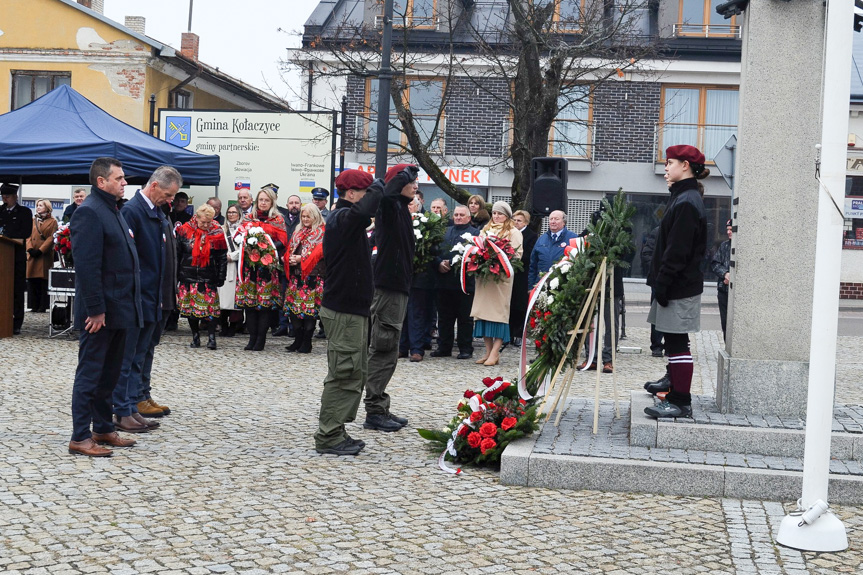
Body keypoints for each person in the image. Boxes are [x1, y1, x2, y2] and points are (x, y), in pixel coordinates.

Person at [68, 157, 142, 457]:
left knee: (109, 374)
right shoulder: (89, 212)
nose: (125, 183)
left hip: (119, 309)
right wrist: (96, 310)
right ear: (102, 182)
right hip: (99, 313)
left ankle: (102, 428)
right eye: (120, 178)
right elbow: (87, 267)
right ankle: (79, 437)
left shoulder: (113, 209)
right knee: (90, 374)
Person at [314, 169, 383, 456]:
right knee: (344, 372)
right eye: (365, 194)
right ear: (352, 194)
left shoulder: (348, 220)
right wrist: (380, 187)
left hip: (352, 310)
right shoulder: (342, 218)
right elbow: (362, 211)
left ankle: (337, 428)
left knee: (355, 371)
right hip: (343, 310)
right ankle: (328, 436)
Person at [112, 165, 180, 433]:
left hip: (158, 296)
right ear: (153, 187)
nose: (171, 200)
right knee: (131, 355)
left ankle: (139, 397)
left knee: (146, 350)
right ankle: (126, 406)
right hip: (142, 297)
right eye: (167, 194)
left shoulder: (158, 212)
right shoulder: (133, 212)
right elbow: (130, 260)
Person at [644, 144, 708, 419]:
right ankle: (674, 388)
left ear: (685, 165)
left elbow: (678, 250)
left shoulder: (687, 201)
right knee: (673, 341)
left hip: (679, 285)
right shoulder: (683, 197)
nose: (666, 167)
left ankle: (681, 402)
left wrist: (664, 282)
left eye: (670, 162)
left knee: (677, 342)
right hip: (676, 283)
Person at [364, 163, 419, 433]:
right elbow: (387, 192)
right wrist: (403, 174)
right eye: (412, 181)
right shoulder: (389, 206)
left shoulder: (400, 210)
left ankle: (380, 405)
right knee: (383, 348)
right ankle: (374, 410)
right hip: (388, 288)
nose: (416, 186)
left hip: (397, 287)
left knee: (389, 351)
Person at [235, 187, 288, 351]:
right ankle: (251, 338)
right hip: (249, 269)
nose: (263, 203)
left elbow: (283, 241)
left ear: (272, 202)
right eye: (261, 200)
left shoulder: (278, 219)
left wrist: (267, 249)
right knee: (249, 306)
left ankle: (261, 340)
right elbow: (239, 236)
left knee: (263, 307)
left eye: (266, 200)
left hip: (267, 269)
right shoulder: (249, 218)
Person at [471, 201, 523, 366]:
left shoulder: (513, 232)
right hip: (485, 280)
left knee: (498, 316)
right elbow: (476, 248)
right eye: (494, 213)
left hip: (501, 280)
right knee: (483, 314)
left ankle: (495, 352)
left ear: (507, 216)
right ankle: (488, 352)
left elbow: (516, 255)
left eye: (500, 213)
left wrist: (498, 261)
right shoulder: (485, 230)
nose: (496, 216)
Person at [176, 204, 228, 350]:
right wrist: (176, 276)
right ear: (196, 218)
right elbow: (177, 254)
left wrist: (221, 276)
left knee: (210, 310)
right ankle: (195, 337)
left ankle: (212, 338)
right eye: (203, 222)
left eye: (208, 222)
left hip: (208, 276)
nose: (206, 225)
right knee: (192, 311)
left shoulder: (217, 231)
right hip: (188, 276)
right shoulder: (184, 230)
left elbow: (222, 256)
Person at [431, 205, 479, 359]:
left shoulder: (475, 234)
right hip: (444, 281)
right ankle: (444, 347)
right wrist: (438, 262)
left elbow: (475, 256)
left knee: (465, 318)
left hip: (464, 283)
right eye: (456, 214)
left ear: (469, 218)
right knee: (444, 317)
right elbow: (434, 251)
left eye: (461, 215)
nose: (458, 217)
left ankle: (465, 348)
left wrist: (451, 262)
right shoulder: (445, 231)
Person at [284, 203, 326, 353]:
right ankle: (298, 339)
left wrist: (301, 258)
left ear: (315, 216)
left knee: (309, 312)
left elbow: (321, 254)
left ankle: (307, 342)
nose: (306, 219)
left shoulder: (322, 232)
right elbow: (290, 248)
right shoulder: (298, 232)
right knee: (294, 311)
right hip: (296, 277)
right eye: (303, 216)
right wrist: (289, 258)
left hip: (312, 278)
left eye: (308, 216)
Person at [399, 196, 435, 362]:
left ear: (418, 206)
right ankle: (401, 347)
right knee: (402, 313)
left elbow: (432, 249)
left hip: (419, 275)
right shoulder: (398, 221)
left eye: (411, 204)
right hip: (401, 276)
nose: (408, 207)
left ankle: (417, 349)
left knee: (416, 314)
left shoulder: (426, 223)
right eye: (406, 204)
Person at [0, 183, 32, 334]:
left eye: (7, 197)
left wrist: (8, 238)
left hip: (16, 256)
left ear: (15, 197)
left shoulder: (24, 212)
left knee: (17, 289)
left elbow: (25, 233)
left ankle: (16, 322)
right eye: (3, 197)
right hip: (1, 257)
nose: (4, 199)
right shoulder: (0, 211)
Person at [273, 193, 303, 337]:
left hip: (297, 264)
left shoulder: (303, 220)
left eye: (297, 203)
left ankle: (293, 326)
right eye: (291, 203)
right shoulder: (281, 220)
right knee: (282, 293)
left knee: (294, 295)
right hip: (282, 263)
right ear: (287, 206)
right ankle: (282, 324)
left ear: (300, 205)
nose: (294, 205)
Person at [528, 210, 577, 289]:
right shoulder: (541, 239)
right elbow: (533, 265)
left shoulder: (573, 238)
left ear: (564, 222)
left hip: (563, 286)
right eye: (551, 219)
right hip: (541, 284)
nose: (553, 221)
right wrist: (531, 287)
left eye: (556, 219)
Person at [509, 209, 537, 346]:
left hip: (523, 273)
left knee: (520, 306)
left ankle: (519, 334)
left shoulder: (531, 235)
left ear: (526, 222)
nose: (516, 223)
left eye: (519, 220)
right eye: (514, 219)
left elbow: (529, 255)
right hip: (510, 273)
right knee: (509, 304)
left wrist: (514, 258)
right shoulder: (509, 232)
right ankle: (508, 334)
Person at [25, 199, 58, 314]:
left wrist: (41, 250)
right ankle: (33, 305)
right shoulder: (33, 220)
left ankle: (42, 305)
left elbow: (51, 238)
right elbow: (27, 235)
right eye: (37, 205)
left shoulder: (53, 221)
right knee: (32, 281)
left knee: (42, 281)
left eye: (40, 205)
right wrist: (29, 248)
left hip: (44, 255)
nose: (38, 207)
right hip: (32, 254)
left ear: (47, 207)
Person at [218, 204, 243, 337]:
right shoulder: (221, 229)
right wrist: (224, 256)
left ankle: (234, 326)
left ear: (239, 214)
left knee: (235, 300)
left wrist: (232, 256)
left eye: (234, 212)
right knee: (222, 299)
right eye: (229, 212)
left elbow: (246, 249)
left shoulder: (244, 230)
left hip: (237, 268)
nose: (231, 215)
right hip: (224, 268)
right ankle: (223, 325)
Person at [640, 225, 664, 357]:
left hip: (675, 280)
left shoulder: (681, 231)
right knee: (657, 312)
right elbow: (646, 254)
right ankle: (656, 345)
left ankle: (671, 344)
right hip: (658, 279)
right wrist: (657, 271)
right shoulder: (658, 231)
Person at [711, 219, 733, 342]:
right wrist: (725, 274)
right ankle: (727, 345)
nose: (729, 233)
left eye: (731, 230)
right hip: (723, 290)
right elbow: (715, 264)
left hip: (735, 293)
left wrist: (732, 277)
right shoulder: (724, 246)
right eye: (728, 230)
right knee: (725, 322)